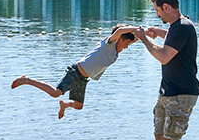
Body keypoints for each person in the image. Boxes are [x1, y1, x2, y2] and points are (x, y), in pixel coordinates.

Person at [135, 0, 199, 140]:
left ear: (167, 7)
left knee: (172, 139)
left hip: (182, 93)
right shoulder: (176, 27)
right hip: (167, 92)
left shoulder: (182, 27)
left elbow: (164, 56)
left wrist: (145, 39)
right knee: (160, 136)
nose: (157, 14)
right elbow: (174, 41)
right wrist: (161, 33)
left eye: (158, 10)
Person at [11, 24, 141, 119]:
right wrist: (136, 28)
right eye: (127, 43)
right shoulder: (109, 44)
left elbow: (134, 38)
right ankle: (26, 80)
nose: (127, 46)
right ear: (120, 39)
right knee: (56, 93)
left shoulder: (115, 52)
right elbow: (120, 31)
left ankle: (65, 105)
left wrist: (144, 34)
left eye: (129, 44)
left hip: (83, 79)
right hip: (75, 72)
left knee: (78, 105)